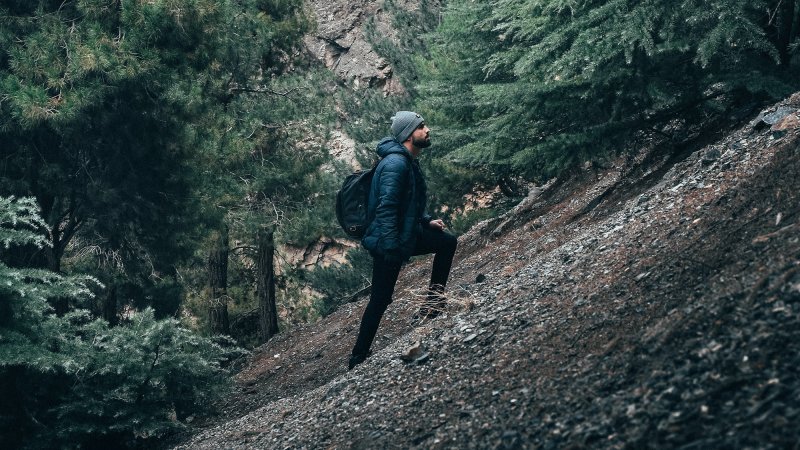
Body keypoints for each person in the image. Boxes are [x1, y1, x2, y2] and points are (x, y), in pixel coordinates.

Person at [349, 111, 458, 370]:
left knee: (446, 242)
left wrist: (426, 221)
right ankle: (358, 357)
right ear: (409, 134)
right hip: (389, 240)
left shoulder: (408, 161)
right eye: (421, 127)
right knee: (381, 298)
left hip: (405, 233)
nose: (427, 130)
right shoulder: (396, 164)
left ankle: (433, 304)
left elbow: (409, 203)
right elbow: (386, 208)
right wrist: (390, 247)